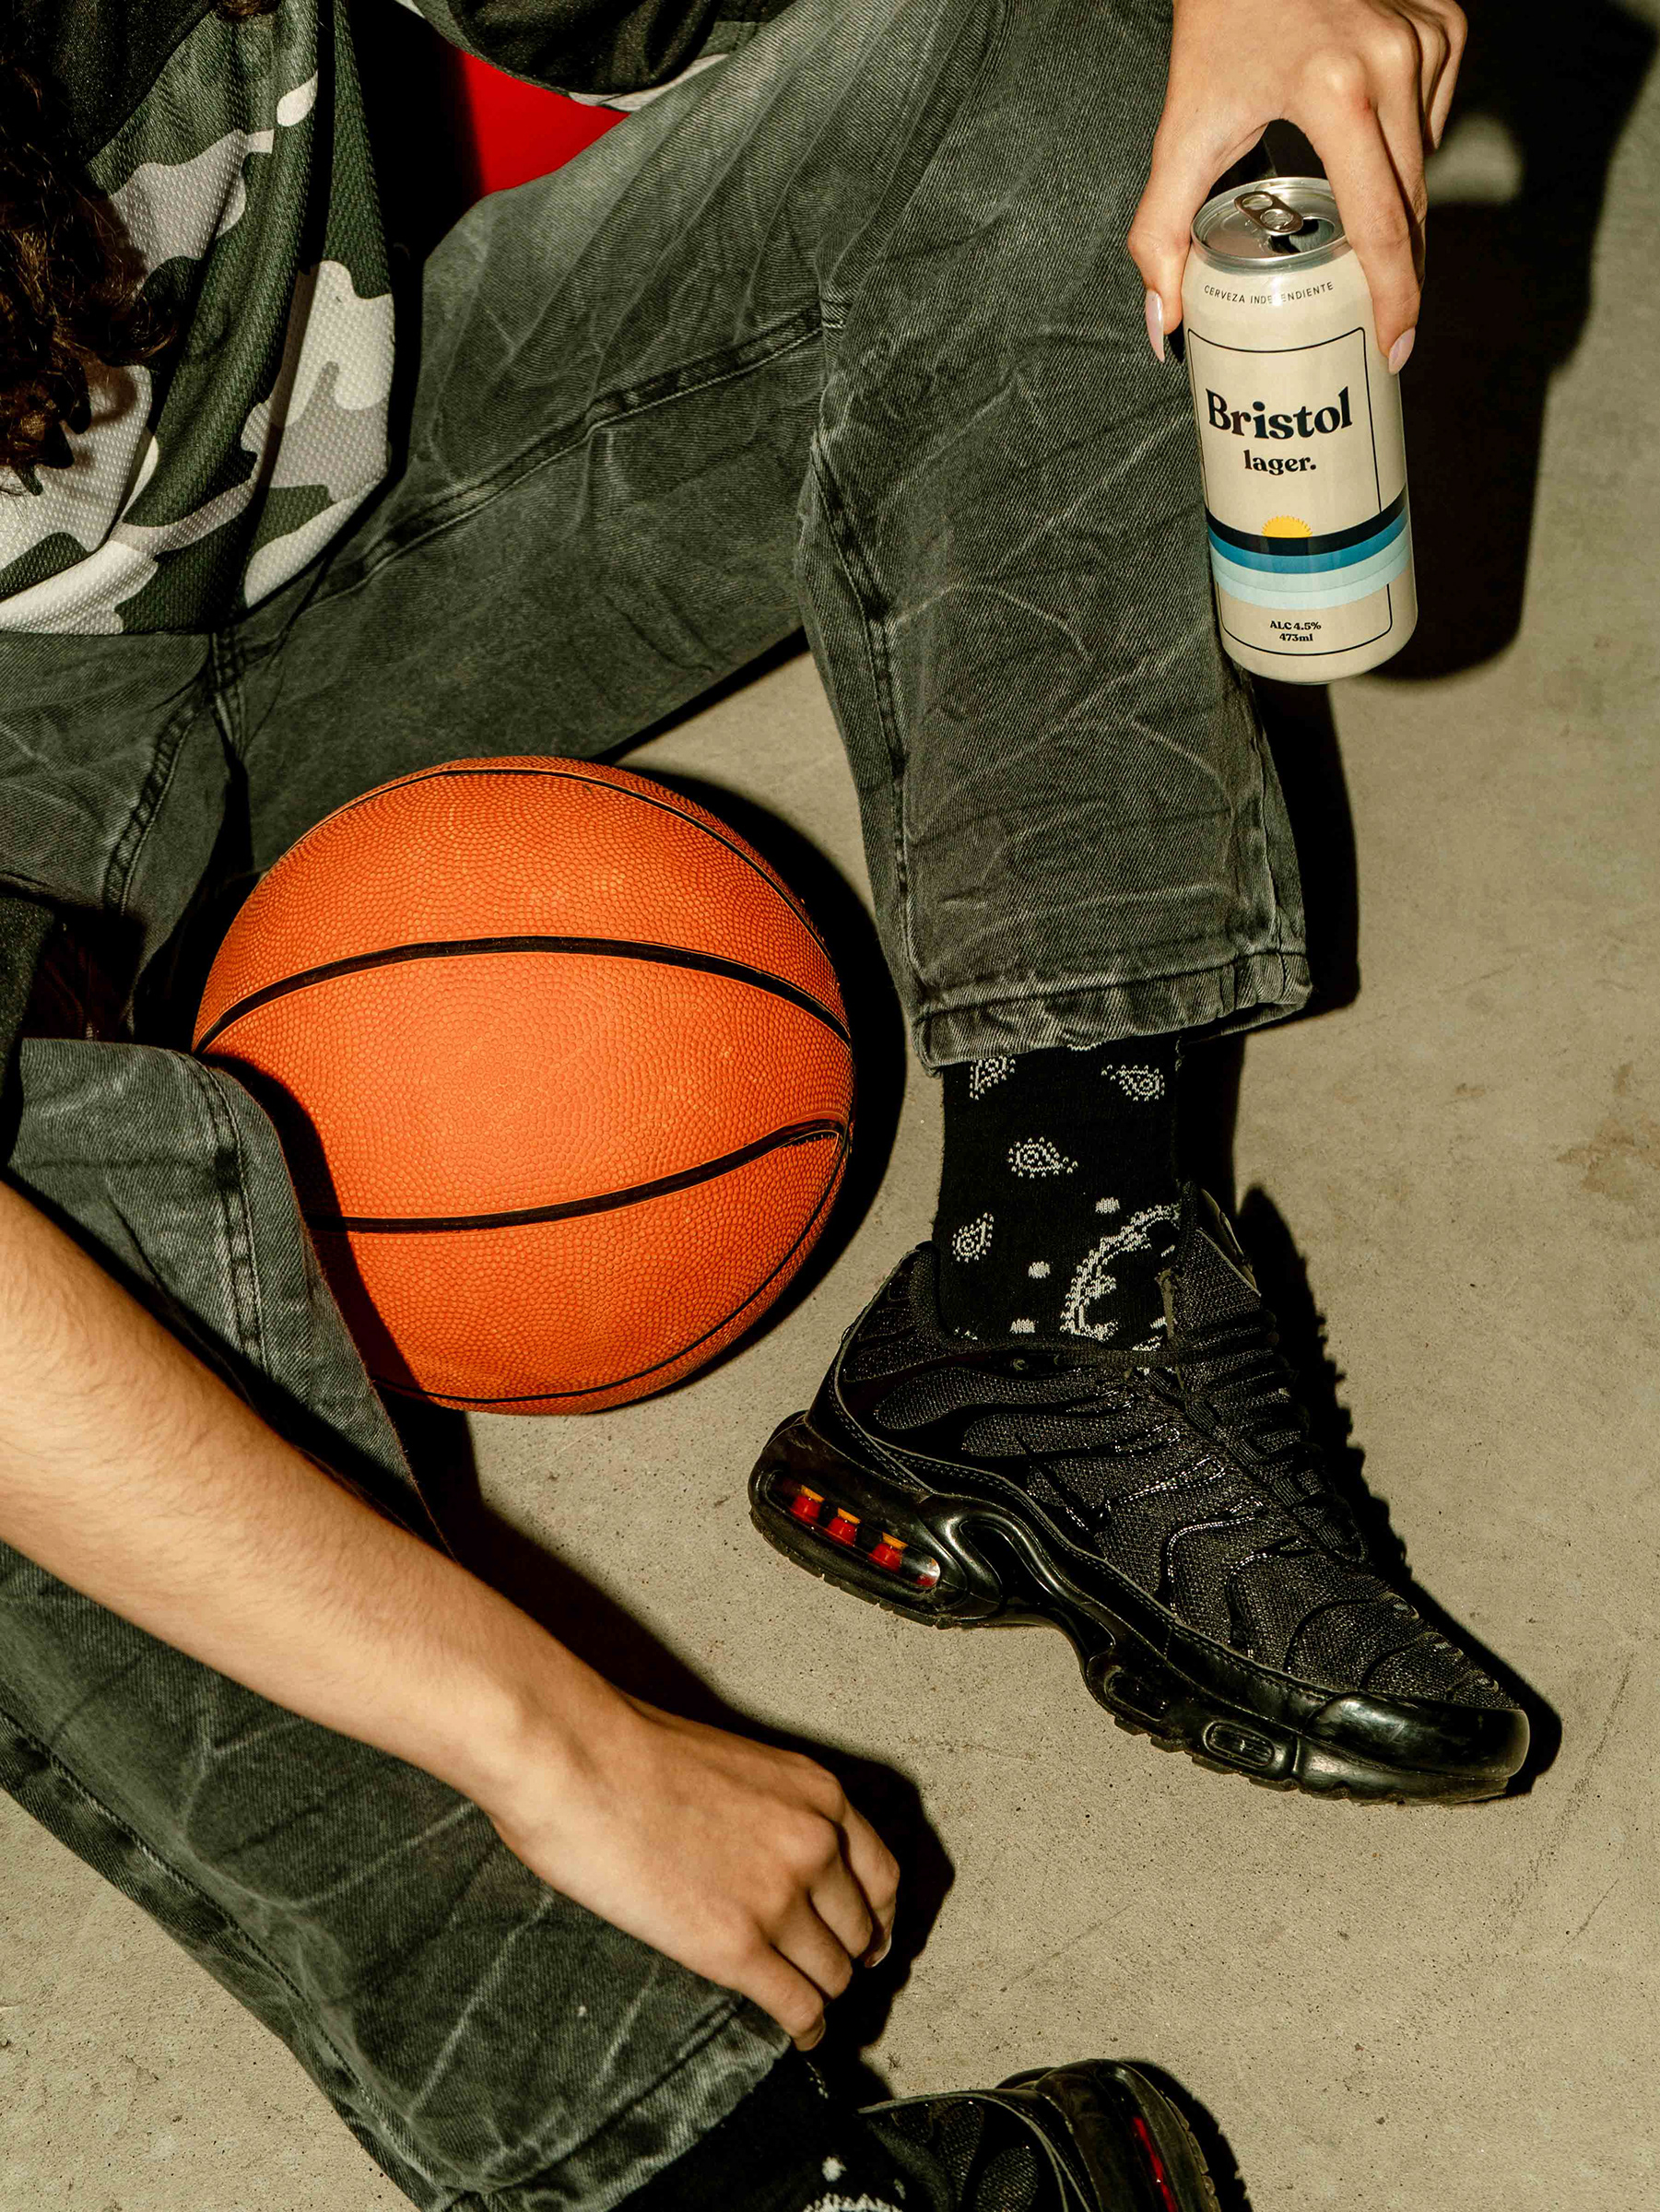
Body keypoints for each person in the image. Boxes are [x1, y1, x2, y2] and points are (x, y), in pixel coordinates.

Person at [0, 0, 1513, 2206]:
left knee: (1058, 75)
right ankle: (680, 2165)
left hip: (269, 518)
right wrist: (540, 1737)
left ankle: (1047, 1290)